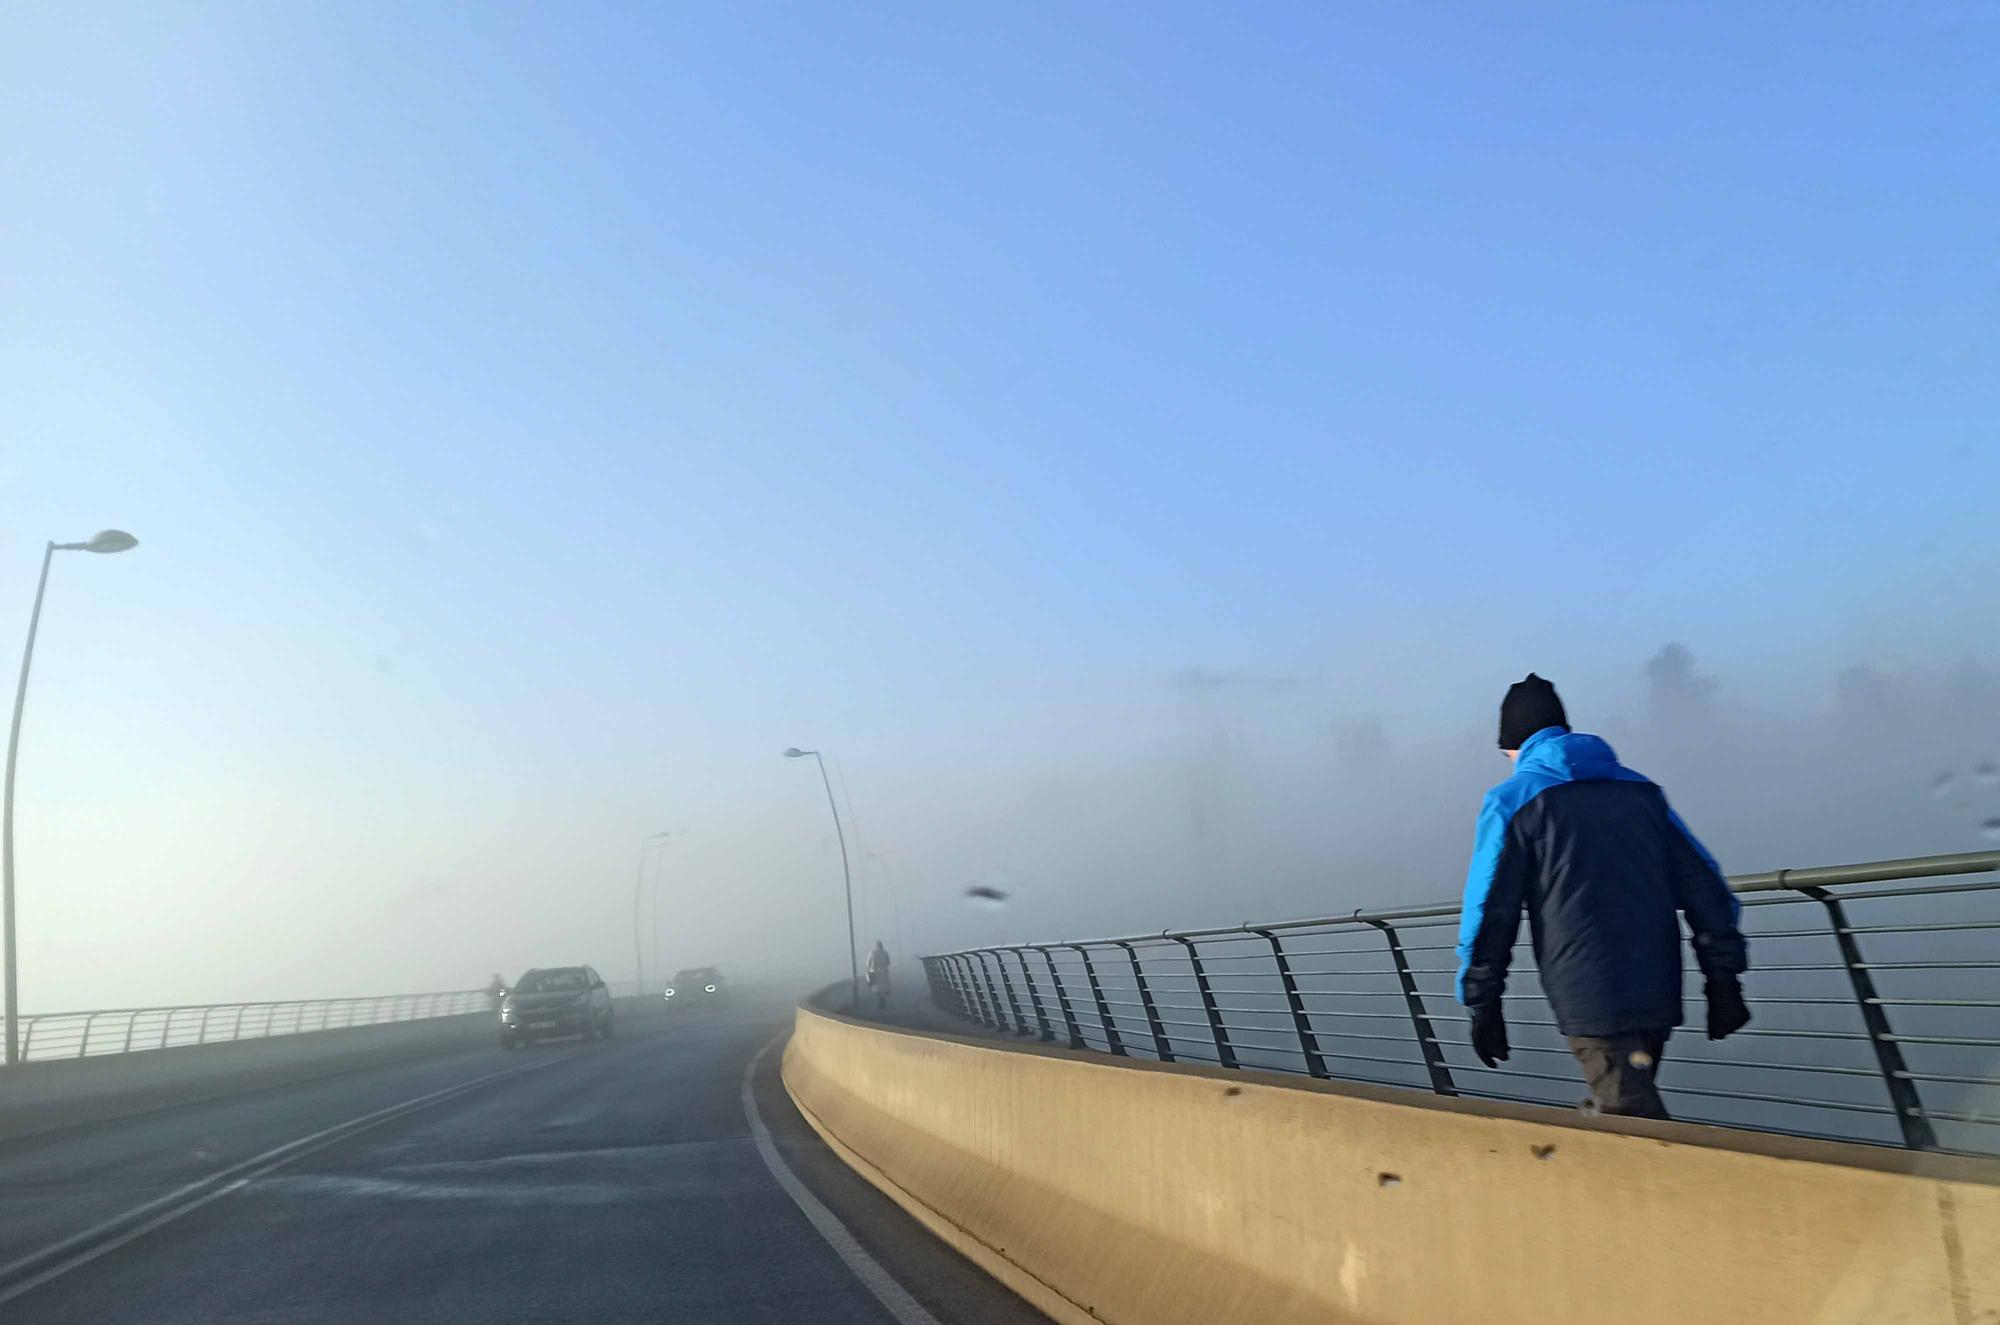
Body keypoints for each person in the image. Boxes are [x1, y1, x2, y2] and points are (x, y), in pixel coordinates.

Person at [1455, 674, 1751, 1119]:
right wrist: (1723, 978)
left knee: (1630, 1121)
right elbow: (1704, 885)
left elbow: (1489, 912)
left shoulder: (1512, 800)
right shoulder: (1641, 791)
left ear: (1515, 746)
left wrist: (1482, 1002)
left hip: (1587, 987)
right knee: (1623, 1098)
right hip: (1657, 978)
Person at [865, 940, 892, 1009]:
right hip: (883, 973)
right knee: (883, 988)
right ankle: (882, 1001)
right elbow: (888, 963)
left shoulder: (871, 953)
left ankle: (880, 1001)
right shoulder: (885, 953)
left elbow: (868, 964)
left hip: (874, 973)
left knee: (877, 988)